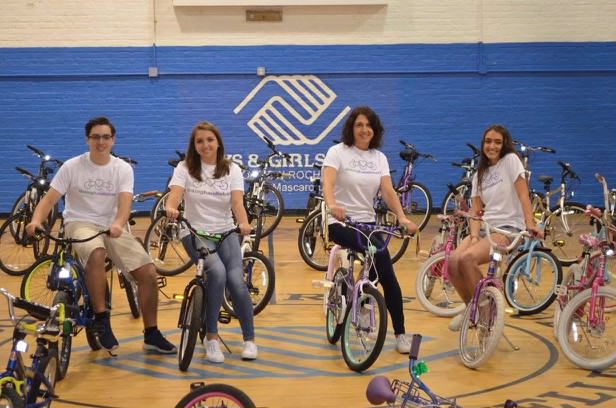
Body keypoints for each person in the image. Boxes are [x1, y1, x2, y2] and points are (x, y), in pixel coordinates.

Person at [26, 116, 177, 354]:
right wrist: (35, 220)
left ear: (113, 140)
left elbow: (125, 202)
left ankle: (152, 333)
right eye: (95, 137)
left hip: (111, 225)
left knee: (147, 272)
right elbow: (49, 199)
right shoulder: (72, 166)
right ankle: (101, 319)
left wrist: (118, 223)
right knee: (96, 253)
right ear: (87, 139)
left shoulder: (122, 168)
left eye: (106, 137)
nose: (101, 142)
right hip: (79, 222)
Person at [322, 105, 418, 354]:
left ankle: (400, 333)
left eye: (368, 126)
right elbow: (328, 182)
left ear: (375, 130)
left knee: (387, 275)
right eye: (359, 125)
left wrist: (402, 218)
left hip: (367, 224)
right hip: (341, 223)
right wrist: (332, 205)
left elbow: (387, 191)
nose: (364, 130)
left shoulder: (379, 158)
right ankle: (361, 303)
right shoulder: (338, 152)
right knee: (378, 253)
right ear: (351, 129)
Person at [165, 121, 257, 363]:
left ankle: (249, 339)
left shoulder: (232, 169)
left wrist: (244, 223)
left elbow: (237, 202)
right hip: (194, 232)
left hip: (225, 231)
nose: (205, 145)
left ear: (218, 143)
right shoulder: (185, 168)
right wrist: (171, 208)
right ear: (193, 146)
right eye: (199, 141)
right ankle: (212, 338)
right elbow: (174, 195)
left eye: (209, 140)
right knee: (216, 272)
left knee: (236, 281)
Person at [447, 124, 543, 331]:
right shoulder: (479, 175)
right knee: (453, 263)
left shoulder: (510, 161)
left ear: (504, 144)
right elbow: (475, 209)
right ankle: (471, 308)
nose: (492, 146)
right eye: (488, 141)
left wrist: (530, 224)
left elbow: (523, 195)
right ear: (483, 144)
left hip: (507, 229)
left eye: (497, 142)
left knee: (467, 259)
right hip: (485, 228)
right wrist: (473, 235)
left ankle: (486, 314)